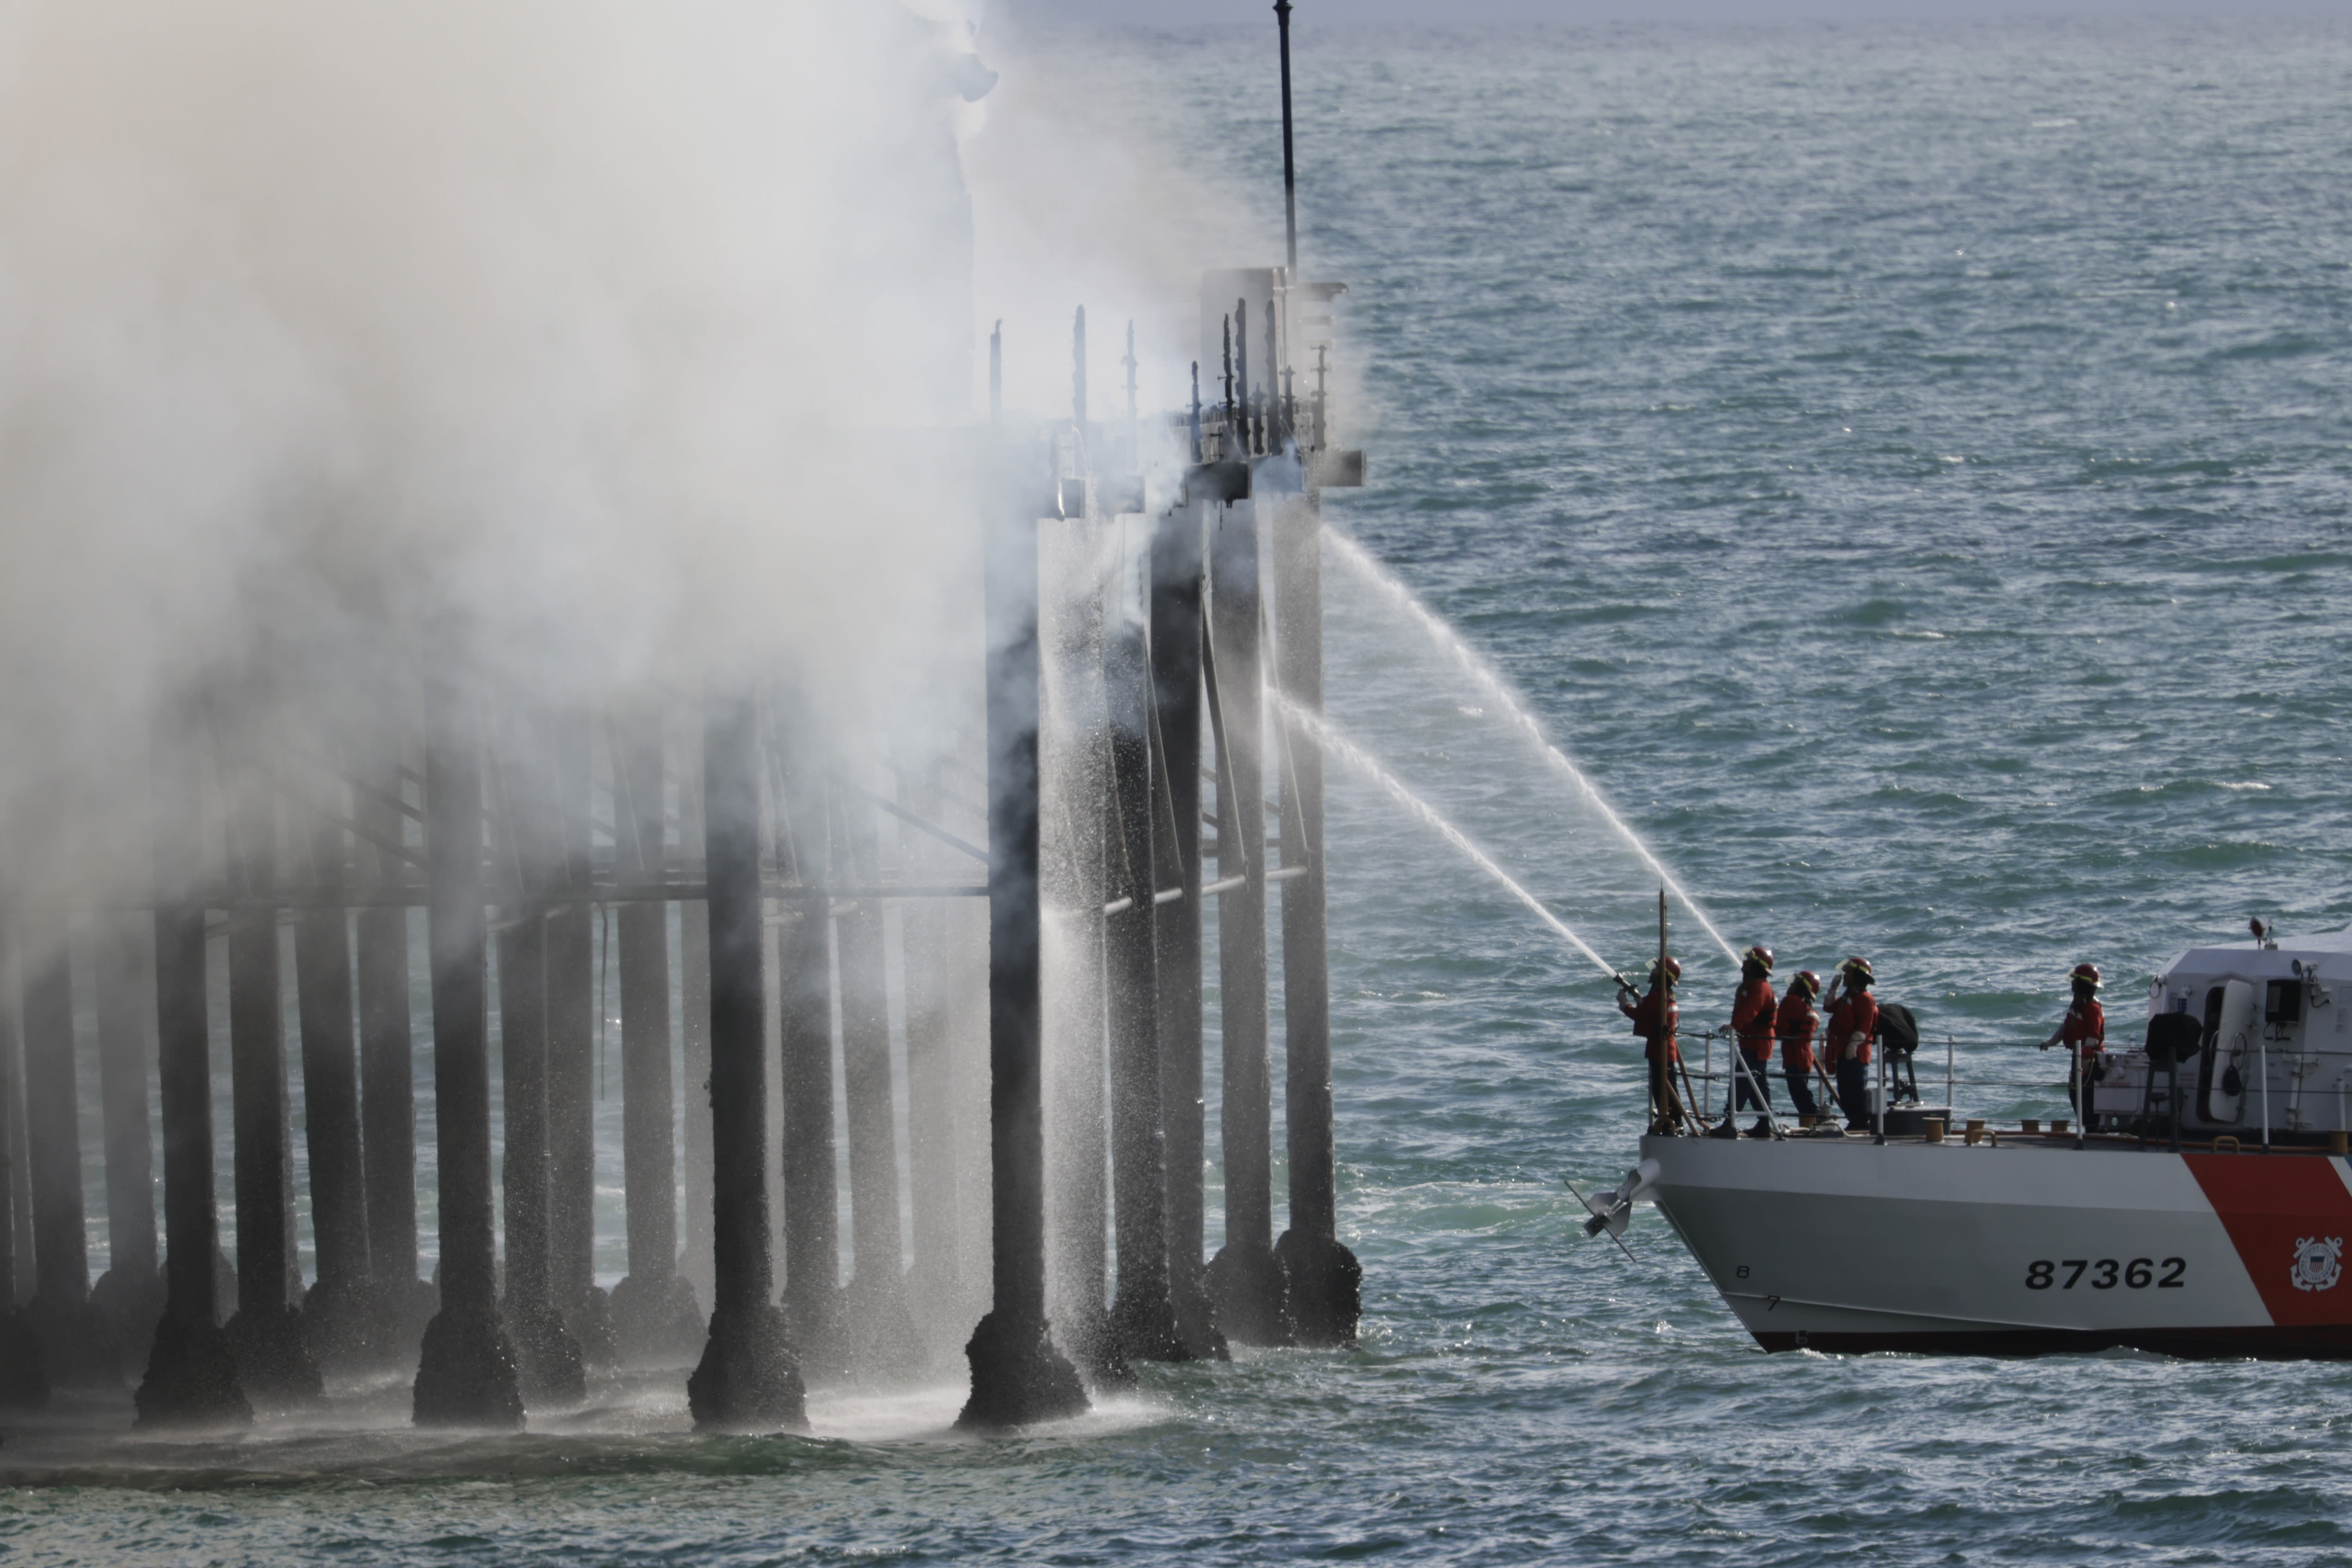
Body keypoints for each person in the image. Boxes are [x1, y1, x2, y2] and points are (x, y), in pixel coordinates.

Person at [1620, 956, 1684, 1133]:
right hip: (1664, 1048)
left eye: (1656, 970)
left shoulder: (1658, 997)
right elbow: (1649, 1008)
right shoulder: (1664, 996)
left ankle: (1673, 1122)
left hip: (1660, 1049)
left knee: (1662, 1088)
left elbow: (1639, 1014)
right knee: (1666, 1086)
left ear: (1663, 976)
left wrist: (1624, 1003)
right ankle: (1672, 1121)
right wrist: (1635, 996)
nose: (1652, 972)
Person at [2040, 962, 2106, 1123]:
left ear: (2083, 984)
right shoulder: (2078, 1005)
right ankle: (2086, 1131)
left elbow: (2094, 1037)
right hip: (2078, 1059)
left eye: (2075, 980)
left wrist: (2085, 1060)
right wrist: (2051, 1042)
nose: (2072, 983)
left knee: (2086, 1099)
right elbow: (2066, 1026)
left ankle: (2092, 1132)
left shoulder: (2092, 1009)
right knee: (2075, 1094)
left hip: (2090, 1063)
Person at [1825, 956, 1879, 1132]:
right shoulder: (1848, 997)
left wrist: (1853, 1045)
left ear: (1856, 975)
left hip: (1857, 1053)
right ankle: (1854, 1120)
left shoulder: (1865, 999)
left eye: (1848, 973)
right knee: (1845, 1089)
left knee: (1855, 1089)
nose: (1845, 976)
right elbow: (1829, 1007)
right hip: (1842, 1050)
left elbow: (1865, 1026)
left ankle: (1860, 1122)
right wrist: (1833, 989)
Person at [1729, 945, 1777, 1137]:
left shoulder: (1760, 987)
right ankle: (1765, 1123)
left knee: (1742, 1082)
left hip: (1757, 1044)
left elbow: (1752, 1010)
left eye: (1748, 960)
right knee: (1757, 1083)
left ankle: (1729, 1121)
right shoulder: (1754, 986)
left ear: (1756, 966)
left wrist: (1735, 1026)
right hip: (1754, 1043)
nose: (1744, 963)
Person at [1777, 969, 1824, 1125]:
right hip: (1804, 1057)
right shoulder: (1804, 1007)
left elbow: (1779, 1027)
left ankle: (1815, 1121)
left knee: (1800, 1095)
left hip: (1795, 1056)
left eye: (1794, 982)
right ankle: (1813, 1122)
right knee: (1802, 1092)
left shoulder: (1791, 1001)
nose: (1790, 985)